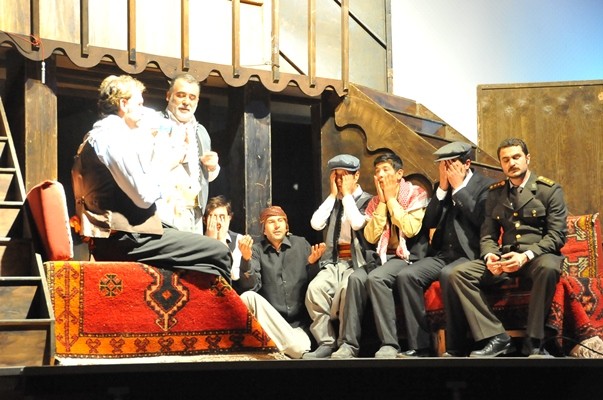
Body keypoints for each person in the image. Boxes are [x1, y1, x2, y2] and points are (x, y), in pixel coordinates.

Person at [71, 74, 232, 282]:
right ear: (123, 104)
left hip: (135, 231)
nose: (144, 110)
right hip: (125, 236)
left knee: (201, 257)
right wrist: (171, 160)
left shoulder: (109, 134)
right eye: (139, 104)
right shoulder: (112, 137)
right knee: (219, 251)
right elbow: (144, 197)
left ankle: (193, 300)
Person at [444, 138, 568, 358]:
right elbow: (488, 235)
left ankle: (535, 341)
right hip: (506, 257)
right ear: (501, 164)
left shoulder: (549, 190)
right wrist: (491, 256)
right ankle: (496, 337)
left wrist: (525, 256)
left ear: (527, 158)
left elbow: (556, 236)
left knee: (548, 267)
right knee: (458, 274)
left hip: (537, 257)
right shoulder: (495, 193)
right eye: (506, 159)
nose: (512, 163)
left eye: (516, 157)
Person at [395, 142, 495, 357]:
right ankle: (420, 346)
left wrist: (459, 189)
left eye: (451, 164)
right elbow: (429, 222)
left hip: (470, 255)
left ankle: (455, 347)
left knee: (448, 274)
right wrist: (441, 188)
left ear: (467, 164)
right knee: (407, 276)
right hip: (443, 254)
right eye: (443, 165)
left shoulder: (485, 186)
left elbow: (481, 220)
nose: (447, 170)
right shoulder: (442, 187)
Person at [331, 152, 429, 359]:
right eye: (377, 171)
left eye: (386, 170)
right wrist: (383, 203)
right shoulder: (375, 201)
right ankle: (349, 344)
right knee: (355, 278)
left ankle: (390, 344)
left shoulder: (415, 193)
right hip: (382, 257)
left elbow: (410, 229)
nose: (380, 175)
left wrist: (392, 200)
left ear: (399, 174)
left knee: (376, 278)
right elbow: (371, 236)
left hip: (407, 257)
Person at [302, 154, 374, 359]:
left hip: (357, 263)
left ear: (356, 176)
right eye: (336, 176)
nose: (340, 181)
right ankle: (326, 341)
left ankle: (346, 344)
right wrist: (333, 195)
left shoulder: (369, 201)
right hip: (334, 262)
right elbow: (316, 223)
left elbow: (357, 223)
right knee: (315, 289)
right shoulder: (334, 202)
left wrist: (347, 195)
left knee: (346, 289)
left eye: (344, 176)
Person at [237, 206, 326, 359]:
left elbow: (315, 288)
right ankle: (283, 347)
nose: (277, 225)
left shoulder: (301, 244)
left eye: (280, 221)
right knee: (247, 297)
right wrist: (246, 260)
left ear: (287, 226)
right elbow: (251, 286)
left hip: (298, 327)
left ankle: (277, 346)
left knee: (298, 347)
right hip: (271, 323)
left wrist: (312, 265)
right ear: (264, 230)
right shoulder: (257, 250)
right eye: (271, 222)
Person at [155, 73, 220, 234]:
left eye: (192, 97)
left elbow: (205, 178)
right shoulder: (155, 123)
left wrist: (212, 167)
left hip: (193, 211)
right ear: (168, 96)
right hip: (163, 210)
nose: (186, 102)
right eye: (181, 95)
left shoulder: (200, 131)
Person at [204, 195, 253, 293]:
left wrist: (222, 241)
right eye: (213, 217)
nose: (218, 222)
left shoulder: (239, 240)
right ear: (205, 220)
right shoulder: (198, 239)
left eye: (222, 217)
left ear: (229, 218)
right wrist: (210, 241)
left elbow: (234, 277)